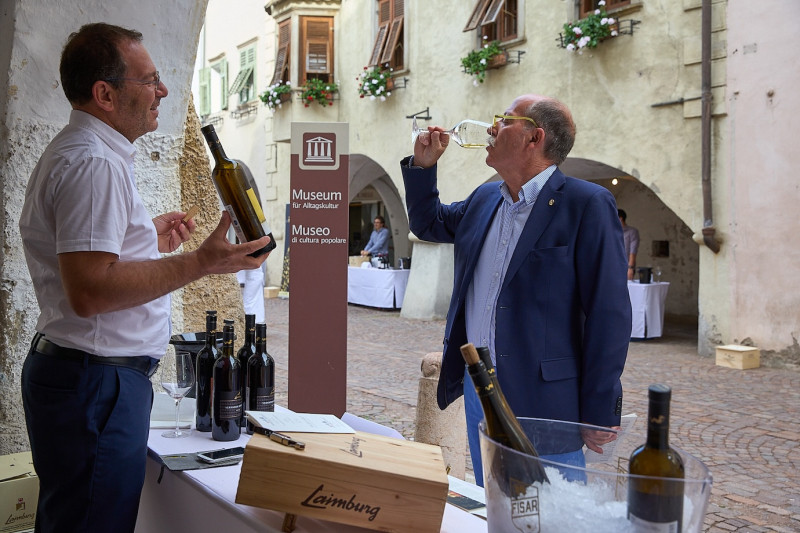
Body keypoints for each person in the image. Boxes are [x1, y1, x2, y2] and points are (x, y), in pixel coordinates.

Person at [17, 23, 271, 533]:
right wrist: (202, 261)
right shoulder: (94, 163)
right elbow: (90, 292)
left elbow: (87, 266)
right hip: (96, 384)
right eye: (149, 80)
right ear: (105, 94)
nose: (163, 90)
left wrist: (141, 241)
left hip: (86, 378)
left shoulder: (84, 152)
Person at [401, 94, 631, 486]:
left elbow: (608, 312)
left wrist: (599, 409)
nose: (491, 128)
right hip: (481, 390)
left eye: (503, 120)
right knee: (492, 500)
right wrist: (423, 167)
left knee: (551, 514)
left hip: (545, 398)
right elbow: (429, 224)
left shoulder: (586, 204)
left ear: (533, 137)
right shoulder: (484, 198)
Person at [234, 161, 266, 323]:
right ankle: (252, 321)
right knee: (251, 297)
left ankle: (255, 321)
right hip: (254, 269)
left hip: (255, 269)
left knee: (253, 296)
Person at [618, 209, 640, 280]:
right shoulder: (611, 232)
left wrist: (630, 268)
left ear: (620, 218)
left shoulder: (632, 232)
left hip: (625, 268)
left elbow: (633, 251)